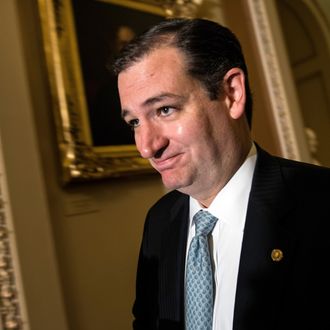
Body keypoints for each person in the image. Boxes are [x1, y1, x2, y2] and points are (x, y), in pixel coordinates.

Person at [111, 18, 330, 330]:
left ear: (231, 93)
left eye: (164, 110)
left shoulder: (321, 204)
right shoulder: (160, 221)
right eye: (134, 122)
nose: (147, 147)